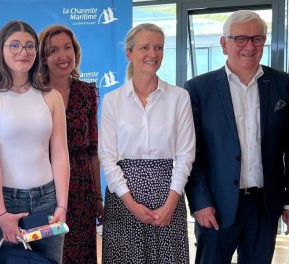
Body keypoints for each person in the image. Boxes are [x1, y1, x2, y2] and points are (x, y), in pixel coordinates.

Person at [184, 10, 289, 264]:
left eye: (257, 39)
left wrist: (287, 201)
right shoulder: (198, 89)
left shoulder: (284, 85)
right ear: (224, 44)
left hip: (265, 206)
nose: (249, 46)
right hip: (215, 207)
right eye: (240, 38)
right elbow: (191, 154)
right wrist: (200, 202)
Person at [0, 20, 70, 264]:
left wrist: (62, 205)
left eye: (29, 46)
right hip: (6, 202)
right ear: (1, 50)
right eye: (14, 45)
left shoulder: (51, 96)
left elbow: (59, 154)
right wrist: (1, 213)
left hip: (47, 200)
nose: (22, 52)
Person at [99, 23, 195, 263]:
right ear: (129, 54)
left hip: (168, 197)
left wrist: (170, 204)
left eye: (159, 48)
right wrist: (131, 204)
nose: (153, 54)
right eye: (145, 47)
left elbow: (185, 155)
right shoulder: (113, 101)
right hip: (124, 199)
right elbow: (107, 158)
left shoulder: (179, 97)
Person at [38, 25, 103, 264]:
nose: (63, 56)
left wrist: (97, 197)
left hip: (82, 191)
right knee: (49, 256)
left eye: (68, 48)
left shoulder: (87, 92)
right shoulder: (34, 93)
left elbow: (93, 150)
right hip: (44, 189)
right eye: (53, 50)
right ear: (43, 58)